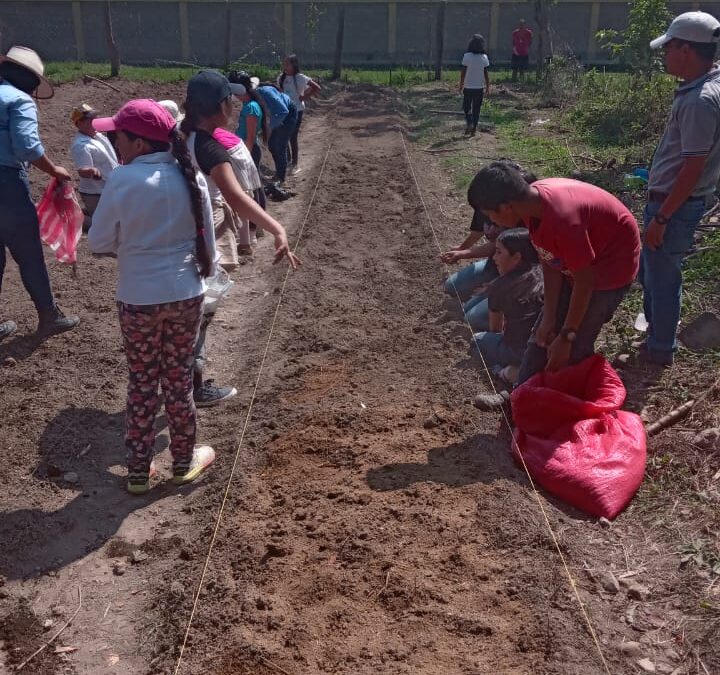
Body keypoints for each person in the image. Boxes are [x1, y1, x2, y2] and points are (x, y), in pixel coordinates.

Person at [87, 99, 217, 494]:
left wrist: (133, 244)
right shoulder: (190, 177)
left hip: (137, 297)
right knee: (177, 380)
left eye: (118, 136)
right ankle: (183, 461)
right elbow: (207, 243)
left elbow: (99, 242)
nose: (115, 142)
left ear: (139, 143)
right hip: (185, 294)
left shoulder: (122, 180)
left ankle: (139, 471)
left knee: (142, 381)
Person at [468, 163, 640, 410]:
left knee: (573, 346)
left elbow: (586, 281)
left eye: (490, 214)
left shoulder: (563, 220)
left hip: (607, 270)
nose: (492, 221)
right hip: (578, 265)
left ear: (506, 206)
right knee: (540, 337)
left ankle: (558, 409)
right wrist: (548, 319)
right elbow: (549, 259)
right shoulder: (530, 208)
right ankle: (519, 400)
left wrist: (567, 335)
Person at [180, 70, 301, 406]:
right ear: (221, 106)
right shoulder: (209, 149)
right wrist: (277, 228)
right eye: (229, 102)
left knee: (188, 314)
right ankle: (195, 384)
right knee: (202, 311)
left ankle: (183, 379)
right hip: (203, 236)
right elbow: (237, 198)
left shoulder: (177, 135)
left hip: (176, 234)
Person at [640, 11, 720, 366]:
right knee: (656, 272)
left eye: (669, 48)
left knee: (662, 279)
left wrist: (662, 217)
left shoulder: (698, 101)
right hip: (680, 201)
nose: (665, 55)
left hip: (674, 204)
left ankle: (659, 349)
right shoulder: (707, 86)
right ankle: (656, 334)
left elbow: (692, 167)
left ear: (686, 50)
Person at [0, 45, 80, 340]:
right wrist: (53, 169)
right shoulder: (19, 101)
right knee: (29, 253)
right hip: (6, 185)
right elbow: (27, 147)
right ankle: (50, 316)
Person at [441, 161, 537, 331]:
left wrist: (497, 286)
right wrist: (462, 252)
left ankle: (517, 325)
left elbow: (531, 270)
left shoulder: (526, 222)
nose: (490, 218)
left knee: (472, 319)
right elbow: (495, 244)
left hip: (521, 279)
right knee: (452, 286)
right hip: (498, 266)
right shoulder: (488, 205)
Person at [470, 228, 543, 387]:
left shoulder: (502, 285)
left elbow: (495, 329)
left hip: (519, 351)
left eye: (498, 252)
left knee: (476, 341)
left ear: (516, 257)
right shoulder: (545, 277)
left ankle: (504, 373)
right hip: (543, 352)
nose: (494, 257)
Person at [69, 103, 118, 231]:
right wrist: (91, 171)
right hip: (95, 192)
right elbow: (82, 171)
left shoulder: (98, 135)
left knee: (112, 217)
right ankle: (71, 218)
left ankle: (86, 212)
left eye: (95, 118)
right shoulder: (81, 146)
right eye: (90, 120)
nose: (95, 121)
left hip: (108, 187)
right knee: (103, 226)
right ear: (79, 123)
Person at [277, 54, 321, 174]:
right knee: (284, 136)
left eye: (287, 64)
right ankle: (288, 161)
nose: (284, 66)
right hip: (284, 111)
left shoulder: (301, 78)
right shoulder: (281, 78)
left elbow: (317, 88)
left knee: (292, 136)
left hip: (297, 110)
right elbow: (280, 93)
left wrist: (304, 96)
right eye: (284, 63)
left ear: (294, 65)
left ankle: (295, 164)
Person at [459, 34, 490, 136]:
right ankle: (474, 129)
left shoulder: (467, 56)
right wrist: (488, 86)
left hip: (468, 87)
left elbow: (463, 72)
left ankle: (469, 122)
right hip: (479, 87)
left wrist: (461, 85)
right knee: (477, 109)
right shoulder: (484, 57)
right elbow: (486, 73)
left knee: (466, 107)